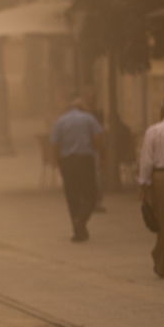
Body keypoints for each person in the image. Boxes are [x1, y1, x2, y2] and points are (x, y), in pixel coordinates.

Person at [50, 95, 106, 242]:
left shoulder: (60, 121)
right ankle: (81, 221)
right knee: (90, 194)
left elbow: (55, 144)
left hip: (67, 161)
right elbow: (98, 138)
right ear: (82, 107)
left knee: (71, 195)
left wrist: (57, 162)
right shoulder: (89, 118)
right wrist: (101, 156)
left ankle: (77, 230)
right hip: (85, 160)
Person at [140, 97, 164, 278]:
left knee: (163, 222)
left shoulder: (154, 130)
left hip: (161, 177)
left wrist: (144, 184)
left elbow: (147, 160)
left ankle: (161, 263)